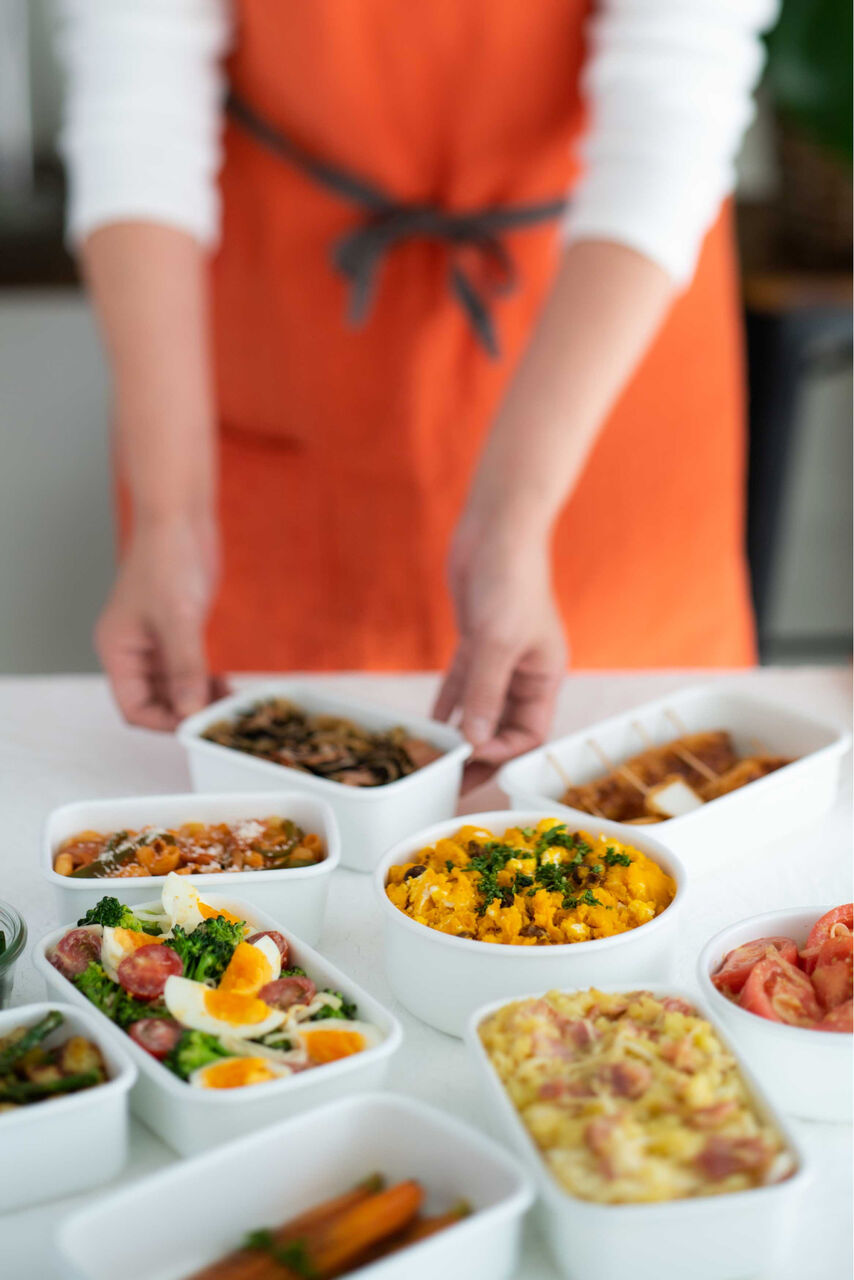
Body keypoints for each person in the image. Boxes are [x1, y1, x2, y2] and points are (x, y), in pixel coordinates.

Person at [57, 0, 776, 780]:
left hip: (600, 322)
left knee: (637, 787)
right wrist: (171, 514)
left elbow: (671, 110)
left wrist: (515, 516)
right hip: (293, 316)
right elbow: (137, 97)